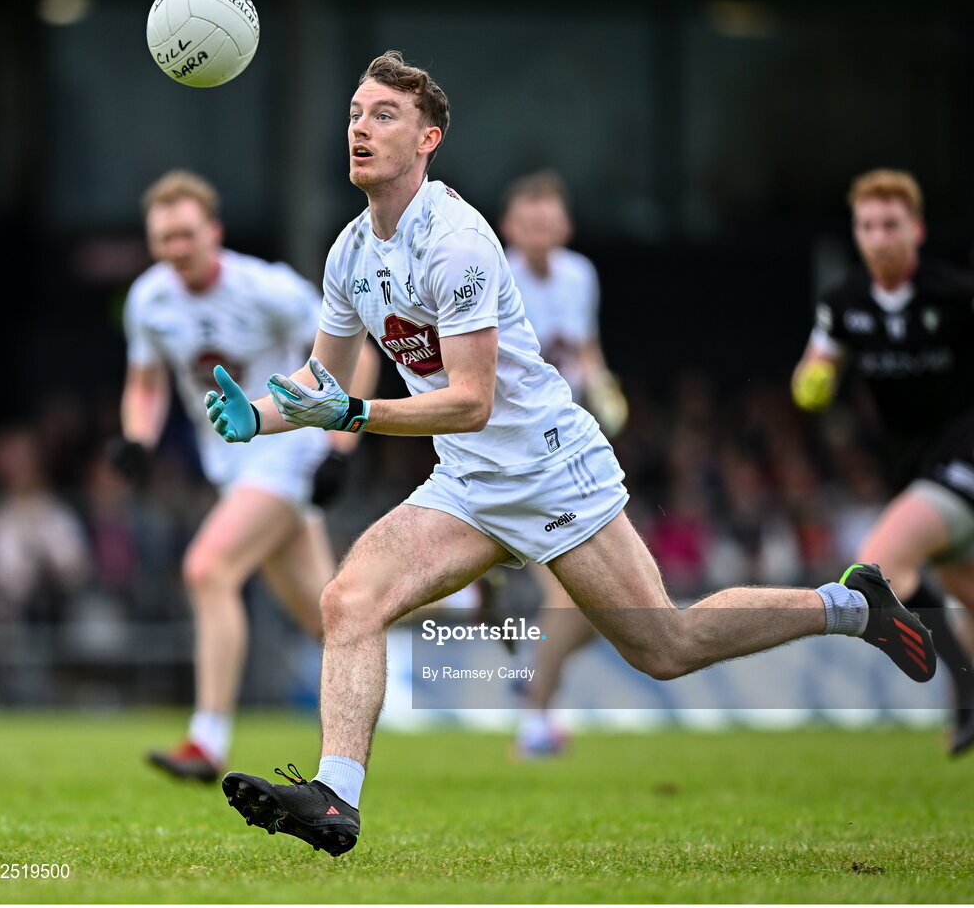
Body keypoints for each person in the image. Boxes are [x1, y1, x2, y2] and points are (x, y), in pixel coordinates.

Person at [205, 52, 937, 857]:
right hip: (471, 480)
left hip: (552, 468)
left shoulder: (457, 241)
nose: (360, 127)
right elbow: (321, 377)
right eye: (354, 112)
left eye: (384, 114)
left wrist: (350, 412)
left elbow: (470, 399)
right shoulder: (349, 251)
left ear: (428, 139)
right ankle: (335, 799)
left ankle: (853, 606)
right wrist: (260, 415)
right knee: (349, 599)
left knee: (667, 646)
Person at [112, 169, 377, 782]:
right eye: (163, 239)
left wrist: (340, 448)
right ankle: (467, 596)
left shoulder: (269, 290)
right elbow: (146, 385)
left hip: (288, 451)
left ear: (214, 232)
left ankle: (207, 741)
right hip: (233, 465)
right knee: (330, 614)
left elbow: (352, 358)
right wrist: (135, 439)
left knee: (208, 568)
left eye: (185, 235)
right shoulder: (149, 300)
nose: (175, 250)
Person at [792, 167, 974, 756]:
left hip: (963, 457)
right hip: (913, 467)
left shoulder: (953, 294)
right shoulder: (843, 302)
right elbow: (812, 370)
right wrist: (813, 383)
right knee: (967, 597)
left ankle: (964, 692)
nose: (879, 237)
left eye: (891, 224)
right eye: (867, 225)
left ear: (915, 230)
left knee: (880, 561)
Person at [497, 169, 628, 757]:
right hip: (519, 453)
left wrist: (603, 388)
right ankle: (534, 720)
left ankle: (532, 666)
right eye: (530, 221)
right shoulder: (495, 275)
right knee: (573, 595)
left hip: (571, 446)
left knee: (599, 604)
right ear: (510, 229)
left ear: (565, 226)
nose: (540, 231)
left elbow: (585, 348)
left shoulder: (580, 274)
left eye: (549, 220)